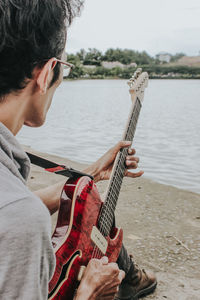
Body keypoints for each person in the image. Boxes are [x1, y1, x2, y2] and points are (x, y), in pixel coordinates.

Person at [0, 1, 157, 299]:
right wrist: (89, 293)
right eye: (65, 69)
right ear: (47, 73)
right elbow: (16, 214)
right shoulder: (20, 222)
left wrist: (92, 173)